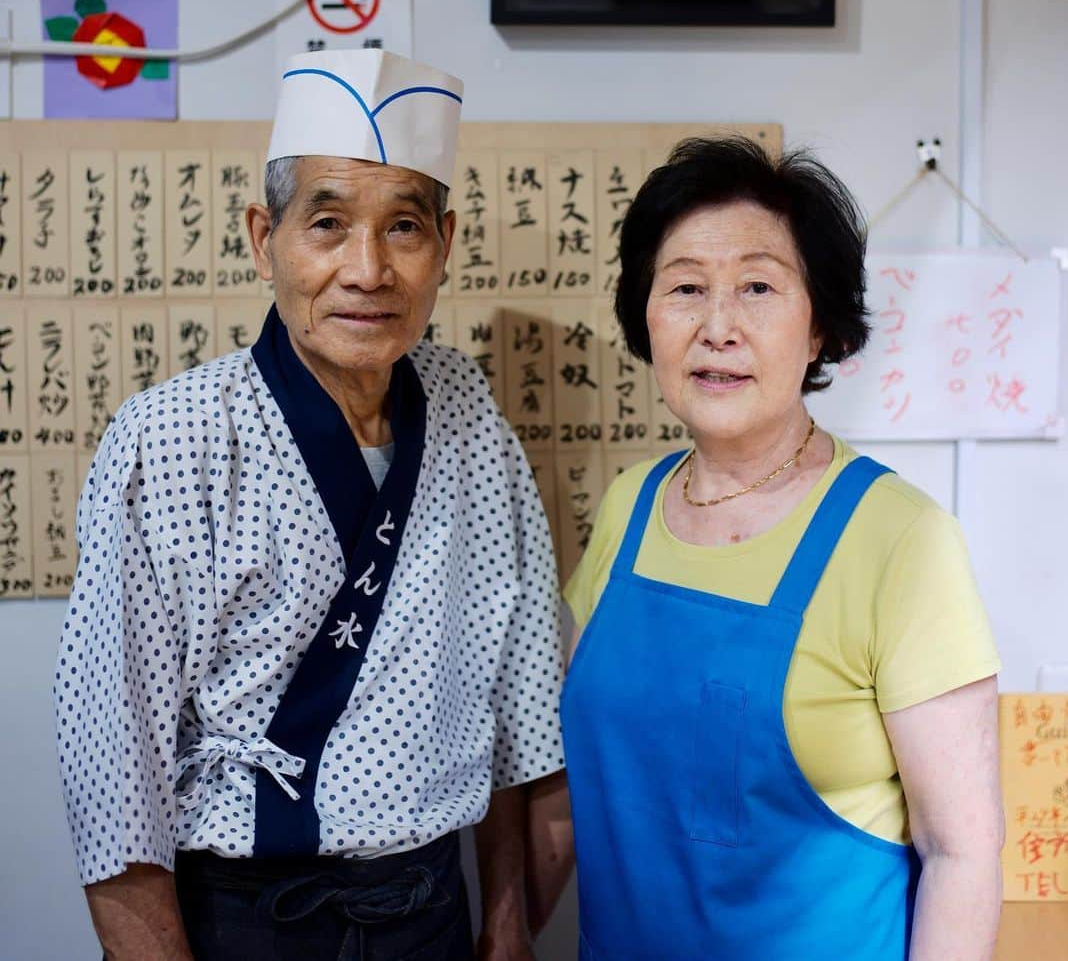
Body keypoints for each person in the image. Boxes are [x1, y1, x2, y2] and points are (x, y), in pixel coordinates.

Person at [55, 50, 566, 961]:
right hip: (242, 919)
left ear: (444, 243)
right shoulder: (171, 436)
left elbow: (518, 697)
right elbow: (112, 763)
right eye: (327, 224)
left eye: (403, 227)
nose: (367, 270)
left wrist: (507, 927)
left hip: (431, 907)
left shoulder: (464, 412)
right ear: (264, 239)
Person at [560, 137, 1004, 960]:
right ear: (645, 316)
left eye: (758, 287)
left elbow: (963, 853)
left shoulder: (901, 539)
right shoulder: (629, 506)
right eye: (686, 287)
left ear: (820, 329)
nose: (718, 327)